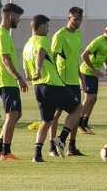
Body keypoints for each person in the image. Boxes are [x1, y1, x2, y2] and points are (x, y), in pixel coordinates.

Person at [22, 14, 83, 162]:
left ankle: (37, 154)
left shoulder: (26, 46)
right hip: (51, 84)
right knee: (78, 108)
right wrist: (38, 69)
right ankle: (61, 139)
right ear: (41, 27)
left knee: (47, 121)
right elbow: (41, 52)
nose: (48, 30)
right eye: (47, 27)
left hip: (38, 87)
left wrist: (34, 75)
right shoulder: (41, 40)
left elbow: (26, 73)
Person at [0, 3, 28, 161]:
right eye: (18, 17)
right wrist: (18, 77)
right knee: (12, 115)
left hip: (7, 81)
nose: (18, 20)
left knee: (17, 114)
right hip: (7, 80)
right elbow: (5, 59)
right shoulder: (2, 34)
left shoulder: (0, 33)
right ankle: (6, 152)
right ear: (11, 17)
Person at [49, 7, 84, 157]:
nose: (78, 22)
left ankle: (71, 147)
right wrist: (57, 78)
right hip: (61, 81)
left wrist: (80, 78)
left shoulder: (78, 35)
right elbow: (53, 58)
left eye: (80, 19)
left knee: (76, 113)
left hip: (74, 81)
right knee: (56, 114)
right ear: (68, 18)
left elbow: (74, 59)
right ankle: (52, 148)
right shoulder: (60, 35)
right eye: (75, 19)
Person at [78, 22, 107, 134]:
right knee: (89, 98)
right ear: (106, 31)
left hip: (94, 73)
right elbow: (84, 55)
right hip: (87, 71)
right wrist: (94, 70)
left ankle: (85, 123)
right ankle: (78, 123)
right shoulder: (97, 41)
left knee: (94, 99)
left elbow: (104, 55)